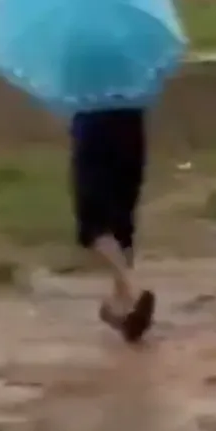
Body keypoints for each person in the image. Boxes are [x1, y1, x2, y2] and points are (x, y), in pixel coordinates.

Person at [69, 106, 155, 341]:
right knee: (122, 220)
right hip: (131, 125)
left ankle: (133, 289)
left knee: (93, 224)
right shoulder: (131, 72)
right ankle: (123, 306)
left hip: (93, 125)